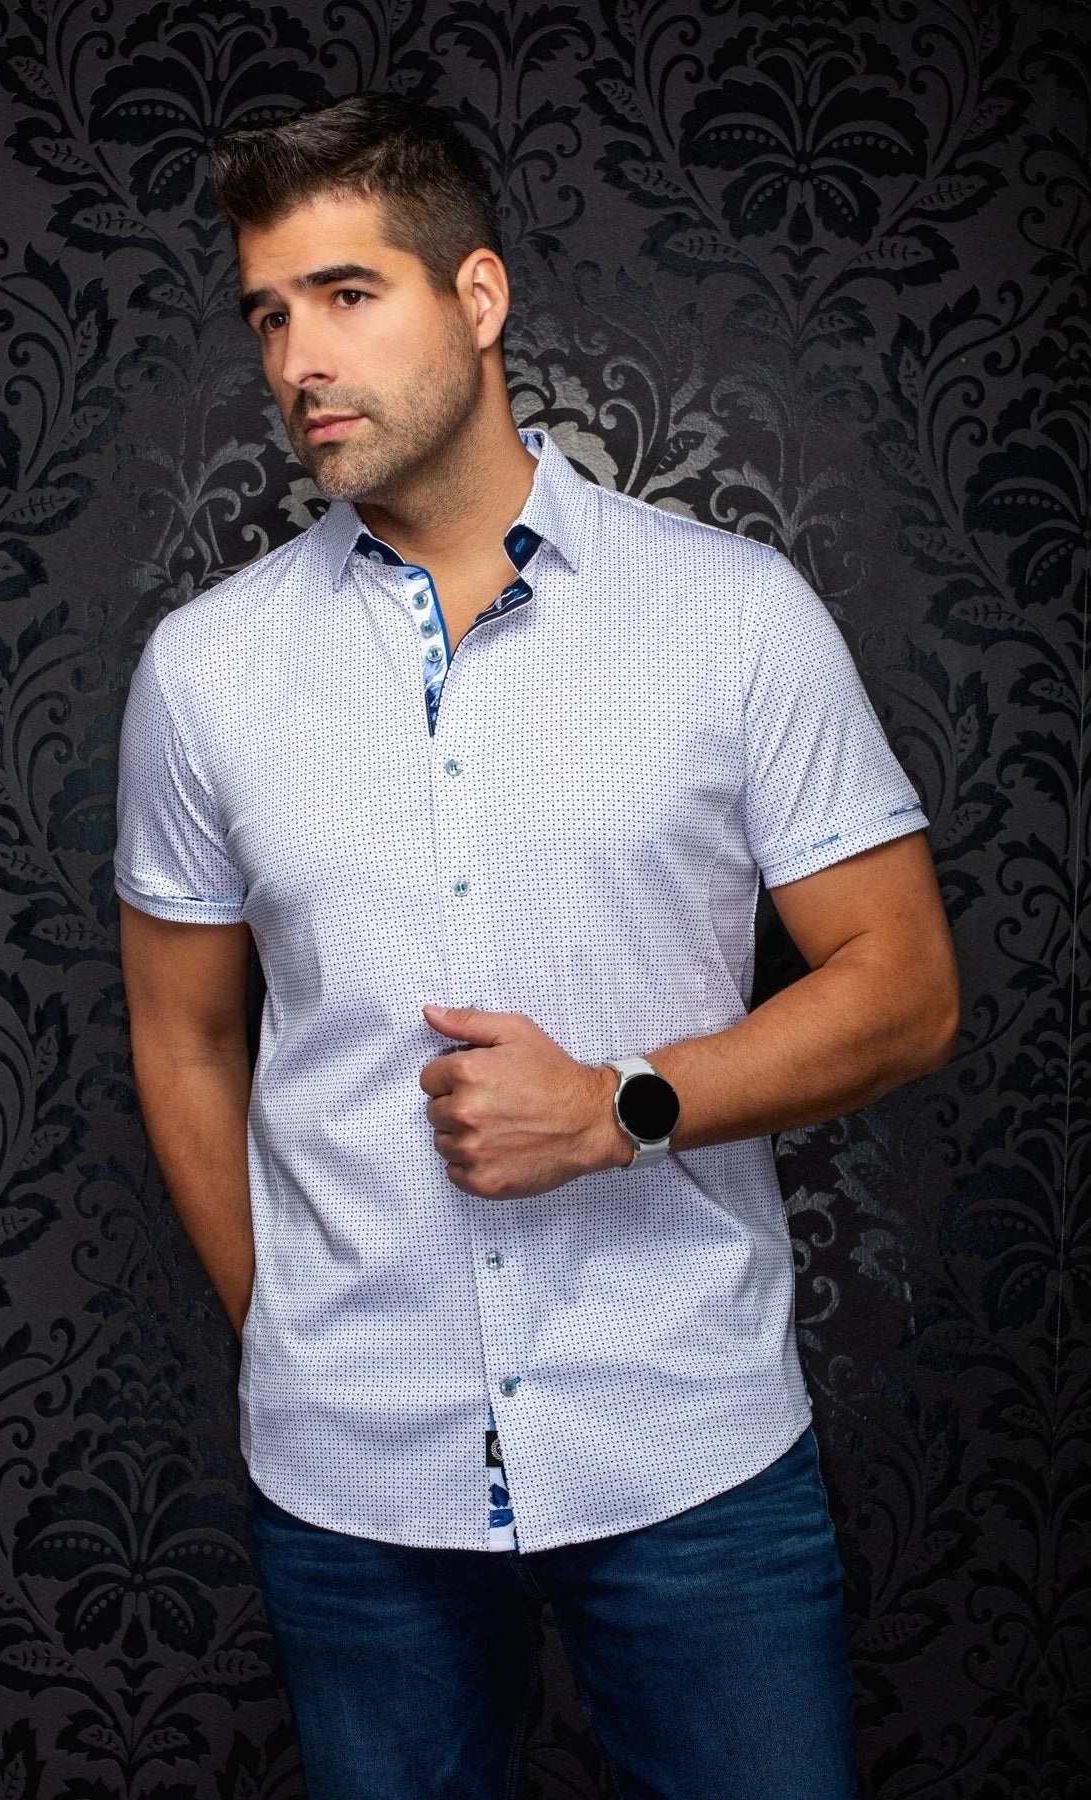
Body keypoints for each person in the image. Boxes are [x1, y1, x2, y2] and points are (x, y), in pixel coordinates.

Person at [112, 90, 960, 1800]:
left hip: (690, 1449)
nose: (299, 359)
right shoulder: (203, 674)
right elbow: (183, 1035)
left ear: (479, 296)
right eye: (269, 315)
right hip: (352, 1487)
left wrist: (620, 1107)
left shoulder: (733, 618)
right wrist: (298, 1332)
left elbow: (905, 989)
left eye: (348, 294)